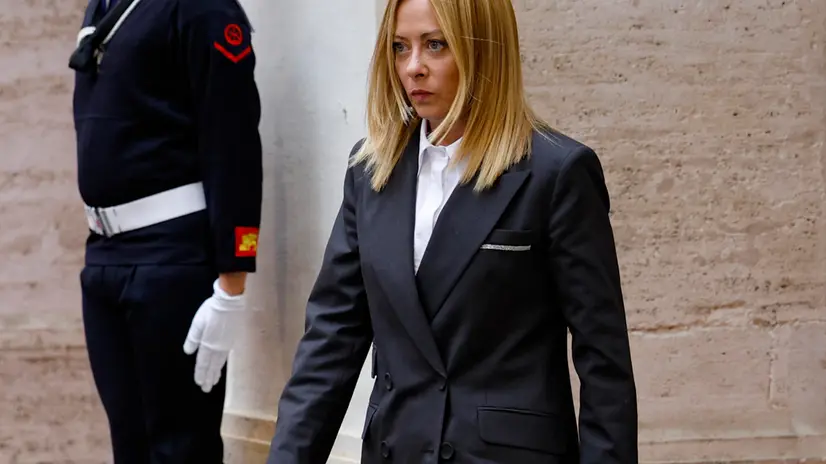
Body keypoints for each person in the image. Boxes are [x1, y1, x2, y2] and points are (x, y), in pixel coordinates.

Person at [267, 0, 637, 462]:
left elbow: (603, 361)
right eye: (400, 48)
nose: (413, 68)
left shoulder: (556, 172)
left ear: (484, 50)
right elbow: (331, 340)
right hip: (395, 448)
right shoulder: (371, 170)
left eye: (435, 45)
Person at [70, 0, 262, 462]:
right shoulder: (105, 5)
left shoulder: (204, 10)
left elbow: (232, 145)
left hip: (170, 261)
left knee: (180, 450)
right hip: (105, 255)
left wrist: (230, 288)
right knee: (130, 448)